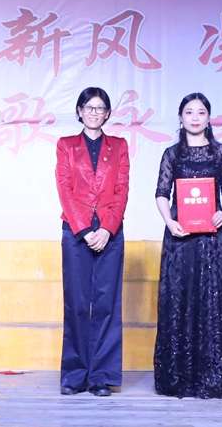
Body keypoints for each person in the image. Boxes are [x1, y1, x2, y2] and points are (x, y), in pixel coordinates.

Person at [153, 92, 222, 399]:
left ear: (209, 117)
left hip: (212, 238)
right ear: (180, 118)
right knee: (180, 299)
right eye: (189, 112)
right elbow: (161, 193)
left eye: (201, 112)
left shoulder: (220, 152)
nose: (195, 117)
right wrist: (169, 221)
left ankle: (213, 376)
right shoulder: (171, 154)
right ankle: (179, 377)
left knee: (212, 301)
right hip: (180, 238)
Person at [55, 87, 129, 397]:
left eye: (100, 108)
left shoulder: (119, 146)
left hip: (110, 232)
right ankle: (74, 376)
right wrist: (85, 230)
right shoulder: (66, 145)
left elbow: (122, 190)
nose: (94, 112)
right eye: (88, 107)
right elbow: (64, 188)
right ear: (79, 111)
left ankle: (101, 377)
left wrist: (107, 229)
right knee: (76, 303)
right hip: (76, 230)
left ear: (108, 113)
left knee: (106, 304)